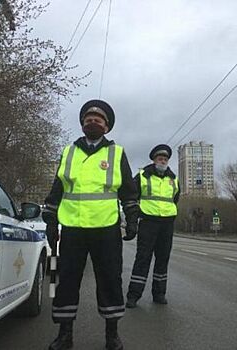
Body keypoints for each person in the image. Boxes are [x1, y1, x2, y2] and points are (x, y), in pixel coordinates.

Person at [43, 100, 139, 350]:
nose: (92, 122)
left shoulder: (116, 153)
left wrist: (132, 217)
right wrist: (51, 220)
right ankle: (65, 334)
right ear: (82, 124)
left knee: (110, 280)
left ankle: (112, 334)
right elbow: (58, 188)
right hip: (72, 228)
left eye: (98, 120)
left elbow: (128, 190)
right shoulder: (69, 151)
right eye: (88, 118)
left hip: (106, 229)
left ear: (106, 127)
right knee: (67, 281)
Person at [125, 144, 180, 308]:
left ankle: (159, 294)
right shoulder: (142, 175)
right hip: (148, 222)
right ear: (154, 160)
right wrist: (133, 221)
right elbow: (131, 198)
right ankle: (133, 296)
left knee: (163, 259)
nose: (162, 161)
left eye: (165, 159)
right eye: (159, 158)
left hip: (167, 224)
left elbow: (175, 199)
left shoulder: (173, 179)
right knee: (143, 258)